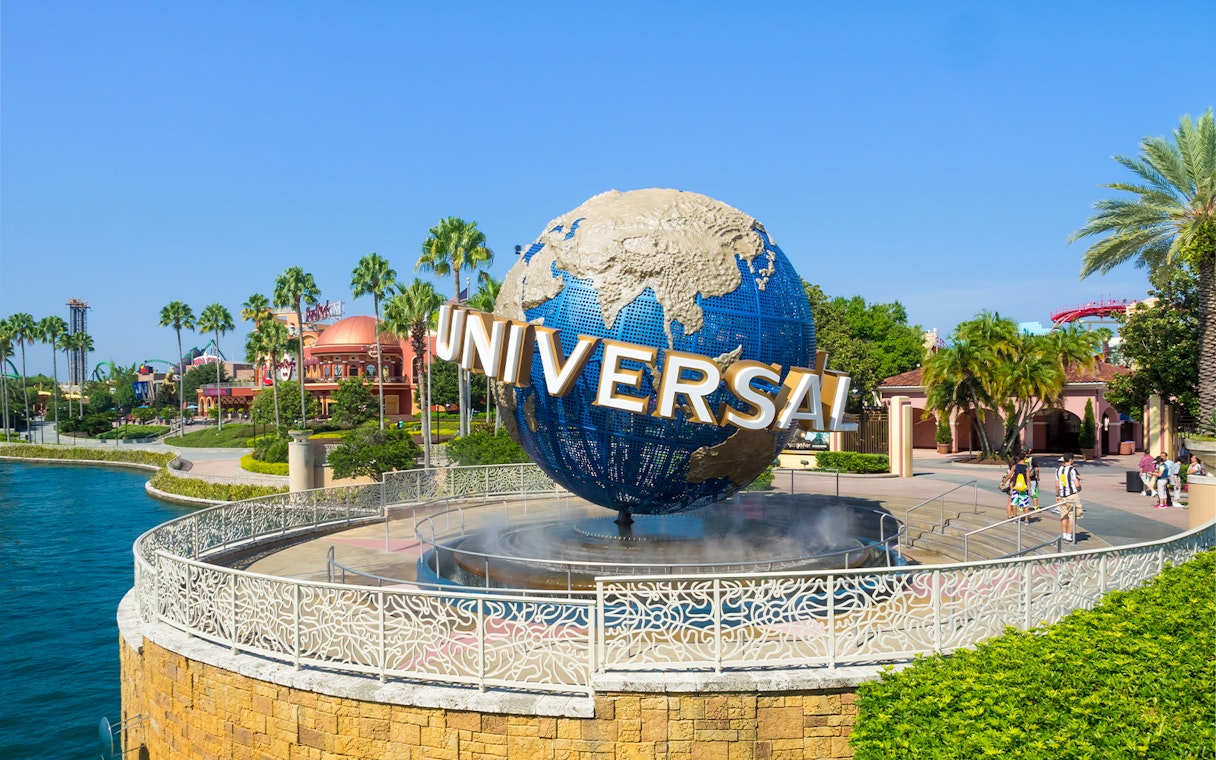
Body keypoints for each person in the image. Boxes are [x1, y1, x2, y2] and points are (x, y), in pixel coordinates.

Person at [1055, 452, 1083, 543]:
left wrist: (1057, 495)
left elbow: (1057, 485)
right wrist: (1079, 488)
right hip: (1072, 495)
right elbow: (1077, 484)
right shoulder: (1073, 470)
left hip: (1062, 495)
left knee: (1063, 515)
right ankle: (1069, 536)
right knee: (1072, 516)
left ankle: (1064, 534)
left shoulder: (1058, 470)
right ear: (1070, 460)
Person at [1004, 456, 1032, 521]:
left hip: (1015, 488)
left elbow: (1009, 476)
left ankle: (1015, 519)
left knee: (1014, 504)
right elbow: (1028, 478)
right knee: (1025, 505)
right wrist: (1030, 488)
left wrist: (1003, 483)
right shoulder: (1026, 468)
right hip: (1023, 488)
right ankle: (1026, 520)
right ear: (1024, 459)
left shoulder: (1014, 466)